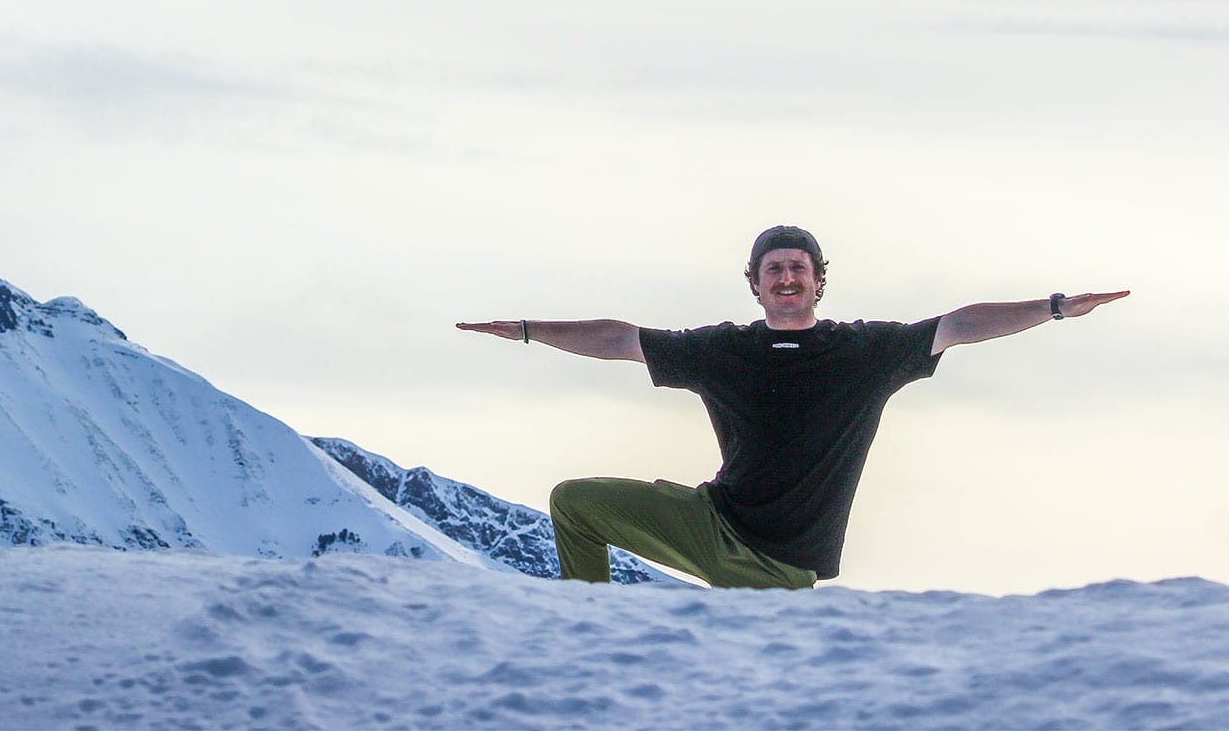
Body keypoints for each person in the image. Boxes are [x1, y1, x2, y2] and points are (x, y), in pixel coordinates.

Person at [457, 225, 1128, 589]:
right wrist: (526, 329)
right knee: (577, 502)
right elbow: (617, 338)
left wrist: (1056, 307)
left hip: (784, 568)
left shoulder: (868, 351)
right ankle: (586, 633)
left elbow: (962, 323)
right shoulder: (721, 350)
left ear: (817, 279)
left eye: (797, 267)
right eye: (773, 269)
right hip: (709, 523)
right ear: (755, 284)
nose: (786, 277)